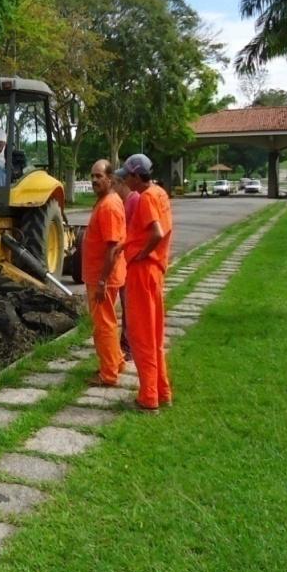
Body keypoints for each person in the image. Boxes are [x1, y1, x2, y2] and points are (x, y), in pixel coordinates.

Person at [117, 153, 173, 413]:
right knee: (155, 334)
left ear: (137, 176)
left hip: (142, 271)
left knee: (141, 337)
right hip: (155, 272)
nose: (125, 180)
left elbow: (157, 233)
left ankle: (148, 397)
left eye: (127, 176)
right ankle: (162, 391)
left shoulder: (147, 198)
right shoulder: (160, 193)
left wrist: (142, 252)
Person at [83, 160, 127, 386]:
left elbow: (112, 247)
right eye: (92, 176)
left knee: (104, 325)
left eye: (99, 176)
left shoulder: (109, 206)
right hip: (101, 275)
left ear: (110, 178)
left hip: (103, 278)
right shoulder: (106, 201)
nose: (94, 180)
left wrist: (101, 280)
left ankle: (108, 374)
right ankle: (116, 362)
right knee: (108, 321)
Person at [110, 171, 138, 361]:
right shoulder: (125, 201)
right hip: (125, 260)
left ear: (122, 183)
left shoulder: (134, 201)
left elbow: (134, 231)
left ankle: (128, 345)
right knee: (126, 302)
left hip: (131, 260)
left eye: (114, 184)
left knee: (129, 304)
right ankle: (126, 343)